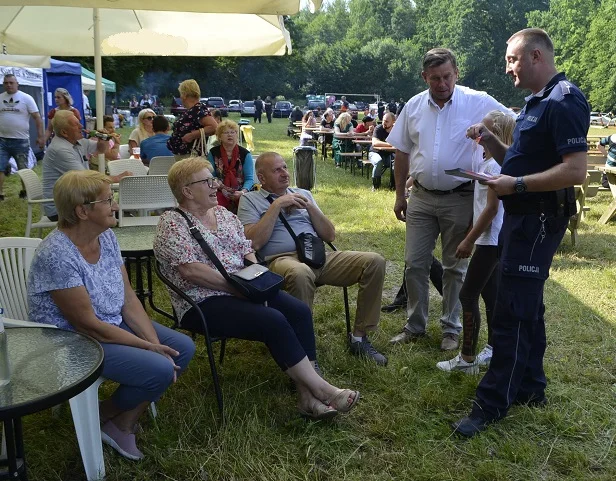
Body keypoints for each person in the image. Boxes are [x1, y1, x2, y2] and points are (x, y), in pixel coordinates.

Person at [452, 28, 589, 437]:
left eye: (512, 59)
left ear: (534, 56)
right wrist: (491, 141)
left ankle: (492, 403)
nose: (507, 67)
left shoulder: (564, 99)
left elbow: (575, 170)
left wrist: (518, 186)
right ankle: (531, 386)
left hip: (538, 218)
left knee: (511, 309)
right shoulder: (536, 102)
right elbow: (519, 161)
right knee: (528, 306)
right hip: (523, 217)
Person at [154, 157, 360, 419]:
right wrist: (236, 288)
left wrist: (255, 277)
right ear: (187, 191)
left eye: (213, 179)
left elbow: (247, 250)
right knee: (272, 319)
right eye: (208, 181)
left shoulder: (223, 214)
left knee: (298, 311)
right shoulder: (172, 223)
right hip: (201, 301)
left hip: (243, 288)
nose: (216, 185)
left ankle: (307, 397)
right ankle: (323, 389)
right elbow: (190, 271)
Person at [28, 169, 195, 460]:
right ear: (83, 211)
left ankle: (116, 420)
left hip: (109, 324)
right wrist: (150, 348)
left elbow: (128, 298)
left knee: (182, 349)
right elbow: (88, 325)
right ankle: (111, 417)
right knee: (160, 368)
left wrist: (154, 342)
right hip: (72, 341)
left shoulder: (106, 236)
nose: (116, 205)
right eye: (108, 200)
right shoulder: (56, 254)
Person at [387, 48, 512, 352]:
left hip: (461, 197)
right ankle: (415, 325)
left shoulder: (477, 100)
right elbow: (401, 151)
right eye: (434, 79)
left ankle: (451, 329)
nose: (441, 84)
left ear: (457, 72)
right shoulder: (414, 106)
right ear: (424, 77)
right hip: (421, 197)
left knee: (455, 266)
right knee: (414, 263)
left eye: (446, 76)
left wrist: (490, 134)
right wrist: (399, 194)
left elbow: (512, 121)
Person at [237, 152, 388, 366]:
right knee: (300, 273)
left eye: (285, 168)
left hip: (317, 256)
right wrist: (277, 205)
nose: (284, 173)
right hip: (280, 260)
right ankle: (301, 353)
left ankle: (359, 337)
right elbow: (253, 243)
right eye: (276, 170)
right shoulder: (249, 200)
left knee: (374, 261)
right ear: (261, 178)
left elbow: (329, 235)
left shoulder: (303, 193)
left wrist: (309, 206)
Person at [436, 110, 514, 375]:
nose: (480, 132)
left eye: (486, 129)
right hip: (490, 238)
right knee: (490, 295)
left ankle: (467, 359)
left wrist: (469, 239)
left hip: (490, 241)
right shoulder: (490, 162)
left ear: (499, 133)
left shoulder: (494, 166)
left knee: (467, 295)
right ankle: (493, 348)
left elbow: (491, 210)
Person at [42, 110, 110, 221]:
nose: (81, 126)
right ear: (64, 132)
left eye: (79, 122)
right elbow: (86, 179)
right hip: (60, 208)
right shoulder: (60, 150)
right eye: (76, 124)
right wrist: (117, 178)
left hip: (74, 201)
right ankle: (98, 237)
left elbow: (101, 149)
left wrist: (103, 139)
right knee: (106, 210)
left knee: (108, 206)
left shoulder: (78, 141)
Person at [0, 73, 45, 200]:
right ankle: (0, 194)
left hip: (21, 141)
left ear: (17, 84)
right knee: (0, 167)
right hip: (2, 139)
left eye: (11, 83)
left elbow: (37, 118)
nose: (8, 85)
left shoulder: (26, 98)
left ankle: (25, 192)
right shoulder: (0, 98)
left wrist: (41, 137)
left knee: (23, 168)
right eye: (6, 83)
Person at [207, 119, 254, 212]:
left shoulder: (245, 154)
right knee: (216, 206)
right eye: (226, 132)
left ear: (237, 135)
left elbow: (249, 179)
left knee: (246, 206)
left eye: (233, 132)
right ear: (219, 136)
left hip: (241, 191)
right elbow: (210, 175)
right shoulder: (213, 153)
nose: (230, 135)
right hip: (219, 190)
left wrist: (242, 192)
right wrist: (219, 185)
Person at [167, 79, 217, 161]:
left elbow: (214, 127)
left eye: (181, 94)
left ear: (184, 95)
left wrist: (192, 135)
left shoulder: (198, 110)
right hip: (184, 156)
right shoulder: (194, 110)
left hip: (190, 157)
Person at [368, 113, 395, 191]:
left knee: (397, 163)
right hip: (375, 152)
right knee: (378, 161)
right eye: (383, 120)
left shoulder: (396, 130)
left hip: (389, 154)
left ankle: (393, 186)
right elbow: (375, 143)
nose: (384, 123)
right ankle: (375, 186)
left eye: (386, 121)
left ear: (393, 122)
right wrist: (390, 144)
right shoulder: (378, 128)